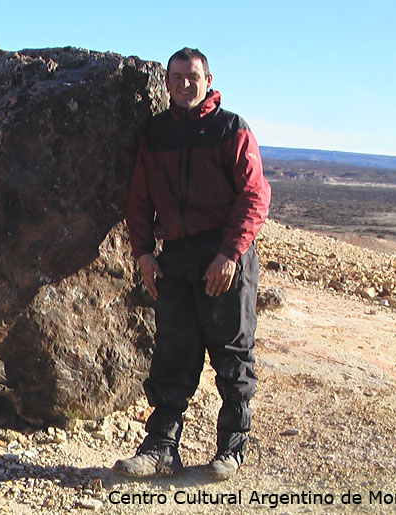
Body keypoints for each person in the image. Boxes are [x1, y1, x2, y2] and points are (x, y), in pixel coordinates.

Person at [114, 47, 271, 480]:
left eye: (193, 76)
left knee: (232, 354)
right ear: (166, 82)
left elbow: (256, 196)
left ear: (209, 80)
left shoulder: (230, 128)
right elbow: (139, 199)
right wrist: (143, 251)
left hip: (225, 255)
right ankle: (162, 447)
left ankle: (231, 449)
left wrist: (229, 253)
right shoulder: (156, 133)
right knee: (173, 354)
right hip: (177, 256)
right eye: (177, 76)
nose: (185, 83)